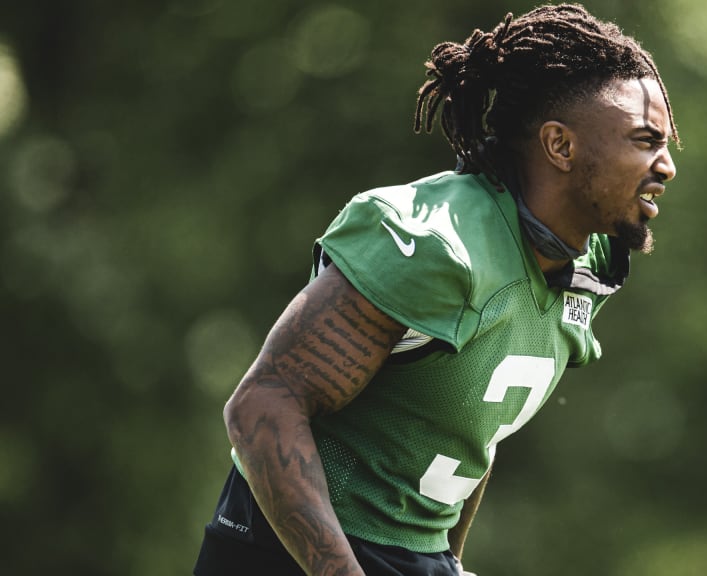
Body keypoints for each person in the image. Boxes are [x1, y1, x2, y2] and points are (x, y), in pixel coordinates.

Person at [194, 4, 678, 575]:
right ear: (561, 146)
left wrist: (445, 561)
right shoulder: (434, 243)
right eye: (645, 141)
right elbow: (261, 408)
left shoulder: (587, 262)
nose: (666, 166)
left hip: (414, 553)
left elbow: (475, 425)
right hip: (289, 552)